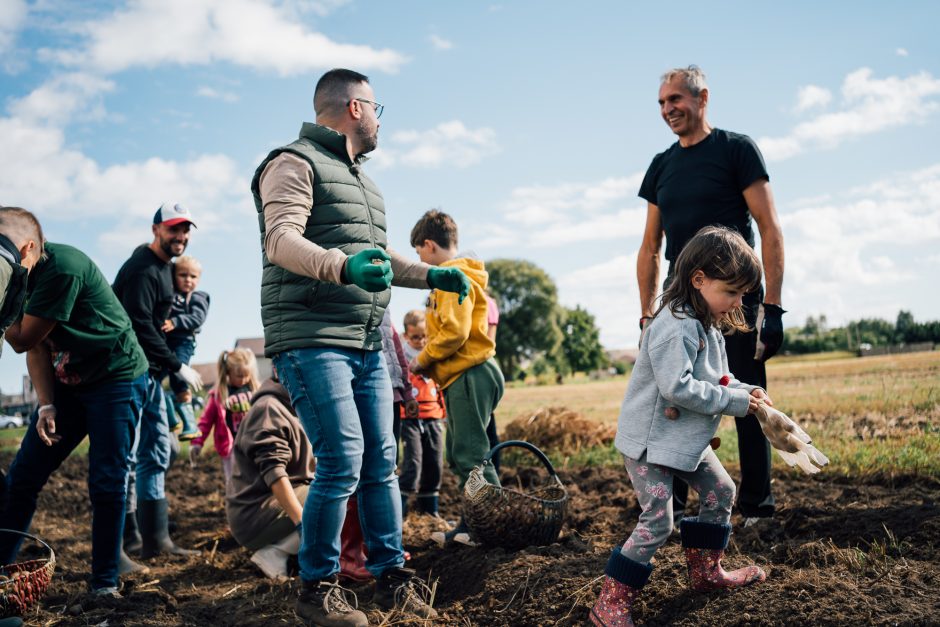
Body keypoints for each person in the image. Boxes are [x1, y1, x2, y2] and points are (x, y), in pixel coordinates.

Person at [251, 68, 471, 626]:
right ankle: (317, 588)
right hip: (312, 335)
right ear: (354, 107)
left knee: (381, 461)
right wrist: (343, 267)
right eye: (377, 107)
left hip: (368, 341)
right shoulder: (292, 162)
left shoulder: (364, 184)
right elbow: (281, 239)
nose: (379, 119)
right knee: (343, 458)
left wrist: (431, 275)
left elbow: (381, 255)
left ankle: (392, 574)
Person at [591, 226, 769, 626]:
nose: (738, 301)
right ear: (699, 279)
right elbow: (678, 388)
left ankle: (706, 573)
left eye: (743, 294)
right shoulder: (675, 325)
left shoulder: (707, 324)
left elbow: (721, 379)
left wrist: (749, 392)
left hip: (684, 438)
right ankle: (610, 603)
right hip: (650, 444)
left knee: (721, 490)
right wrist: (734, 403)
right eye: (732, 291)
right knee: (658, 519)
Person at [637, 65, 786, 526]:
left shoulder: (735, 150)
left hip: (735, 299)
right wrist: (646, 313)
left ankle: (757, 508)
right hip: (682, 304)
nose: (667, 109)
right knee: (676, 404)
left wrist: (773, 308)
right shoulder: (662, 165)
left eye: (675, 99)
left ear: (703, 99)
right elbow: (649, 247)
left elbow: (769, 229)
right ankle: (674, 510)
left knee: (747, 399)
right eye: (661, 102)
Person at [2, 239, 149, 596]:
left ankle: (104, 583)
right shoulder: (15, 283)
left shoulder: (62, 267)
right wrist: (47, 404)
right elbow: (36, 348)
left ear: (25, 248)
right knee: (24, 474)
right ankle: (2, 570)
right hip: (68, 382)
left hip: (115, 376)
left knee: (106, 479)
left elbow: (22, 339)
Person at [407, 210, 504, 547]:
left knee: (469, 454)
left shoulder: (447, 277)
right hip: (474, 372)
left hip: (468, 372)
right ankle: (472, 523)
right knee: (465, 450)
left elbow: (455, 332)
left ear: (429, 245)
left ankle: (493, 529)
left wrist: (422, 359)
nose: (419, 261)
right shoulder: (463, 275)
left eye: (418, 253)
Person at [112, 202, 203, 560]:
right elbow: (138, 324)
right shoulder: (143, 270)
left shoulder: (166, 268)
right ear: (156, 230)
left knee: (156, 451)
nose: (180, 236)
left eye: (185, 230)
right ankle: (128, 538)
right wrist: (176, 365)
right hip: (127, 373)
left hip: (149, 374)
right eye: (173, 229)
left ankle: (157, 539)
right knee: (128, 457)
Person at [398, 309, 446, 518]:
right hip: (410, 419)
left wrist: (443, 413)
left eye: (424, 336)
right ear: (406, 336)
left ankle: (430, 513)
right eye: (415, 337)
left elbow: (441, 385)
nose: (420, 341)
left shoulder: (433, 356)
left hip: (434, 416)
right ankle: (399, 513)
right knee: (413, 464)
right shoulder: (402, 360)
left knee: (434, 463)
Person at [189, 348, 260, 486]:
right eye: (239, 375)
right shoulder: (219, 395)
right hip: (231, 448)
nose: (244, 379)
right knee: (234, 482)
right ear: (228, 372)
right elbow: (205, 421)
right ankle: (235, 505)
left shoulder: (256, 390)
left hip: (253, 444)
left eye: (247, 375)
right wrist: (197, 442)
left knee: (256, 480)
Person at [163, 255, 210, 441]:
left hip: (183, 342)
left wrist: (175, 321)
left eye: (193, 277)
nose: (188, 280)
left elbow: (197, 319)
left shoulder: (198, 297)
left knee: (178, 376)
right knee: (157, 379)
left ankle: (190, 423)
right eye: (183, 275)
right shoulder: (170, 294)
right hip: (166, 341)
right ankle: (171, 417)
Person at [378, 308, 417, 465]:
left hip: (393, 395)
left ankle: (390, 485)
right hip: (368, 395)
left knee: (390, 451)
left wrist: (408, 394)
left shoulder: (385, 316)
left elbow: (398, 355)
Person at [484, 291, 502, 472]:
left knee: (486, 430)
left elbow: (489, 342)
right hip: (483, 365)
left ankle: (491, 476)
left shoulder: (486, 302)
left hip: (480, 366)